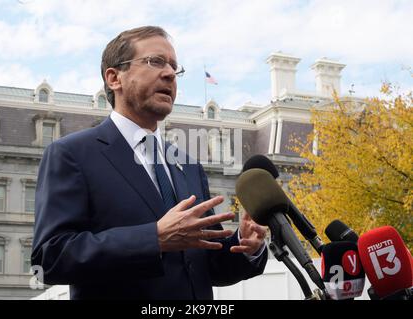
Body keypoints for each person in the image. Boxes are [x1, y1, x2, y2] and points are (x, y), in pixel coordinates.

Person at [32, 26, 268, 300]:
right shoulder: (71, 154)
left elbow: (207, 267)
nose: (169, 73)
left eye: (174, 67)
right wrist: (153, 238)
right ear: (114, 78)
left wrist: (245, 244)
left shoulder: (188, 167)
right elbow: (49, 259)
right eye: (155, 61)